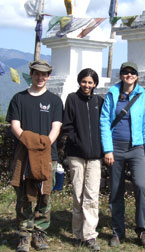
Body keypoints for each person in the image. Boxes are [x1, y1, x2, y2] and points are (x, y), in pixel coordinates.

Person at [6, 60, 63, 252]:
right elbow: (15, 126)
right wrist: (30, 143)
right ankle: (24, 235)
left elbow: (56, 128)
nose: (40, 77)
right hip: (23, 154)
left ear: (49, 76)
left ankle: (40, 232)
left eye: (44, 74)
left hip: (48, 155)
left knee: (44, 195)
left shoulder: (55, 101)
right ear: (31, 74)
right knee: (24, 196)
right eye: (37, 73)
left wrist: (44, 144)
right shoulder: (18, 99)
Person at [100, 62, 145, 248]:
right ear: (121, 74)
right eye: (125, 72)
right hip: (115, 148)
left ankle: (142, 230)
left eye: (133, 72)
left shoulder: (144, 97)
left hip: (137, 148)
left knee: (141, 186)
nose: (129, 75)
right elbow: (105, 122)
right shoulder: (112, 94)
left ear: (137, 76)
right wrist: (108, 149)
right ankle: (118, 231)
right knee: (116, 189)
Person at [62, 68, 104, 251]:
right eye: (84, 81)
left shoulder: (99, 101)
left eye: (90, 82)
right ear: (79, 82)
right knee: (78, 195)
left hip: (96, 157)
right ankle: (78, 233)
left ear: (95, 84)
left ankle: (89, 235)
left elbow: (105, 126)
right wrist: (77, 142)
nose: (87, 85)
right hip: (76, 155)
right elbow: (67, 126)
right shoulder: (72, 99)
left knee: (92, 195)